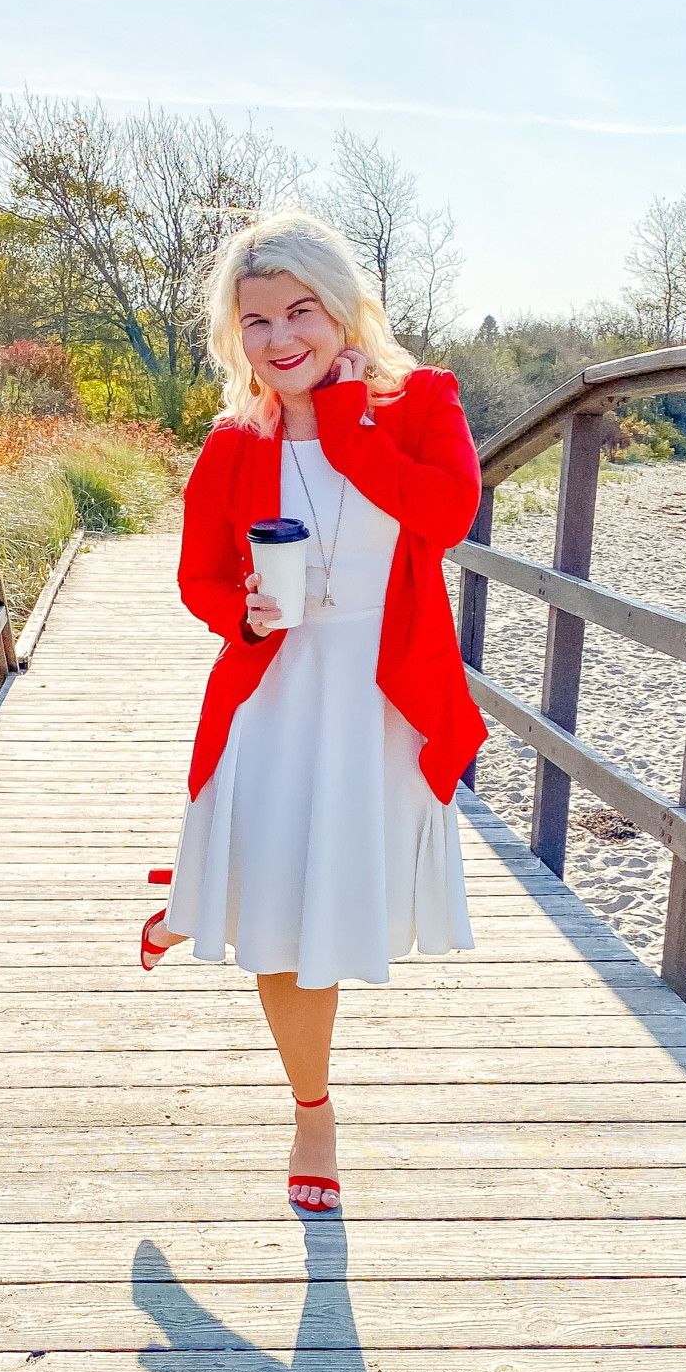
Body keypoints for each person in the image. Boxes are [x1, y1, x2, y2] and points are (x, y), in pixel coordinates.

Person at [141, 212, 488, 1212]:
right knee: (290, 927)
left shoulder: (419, 402)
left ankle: (191, 901)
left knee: (336, 897)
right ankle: (312, 1108)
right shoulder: (231, 443)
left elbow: (446, 515)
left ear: (343, 312)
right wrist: (241, 612)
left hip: (377, 697)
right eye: (254, 319)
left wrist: (344, 428)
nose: (280, 337)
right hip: (277, 694)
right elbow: (200, 577)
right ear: (232, 333)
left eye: (300, 310)